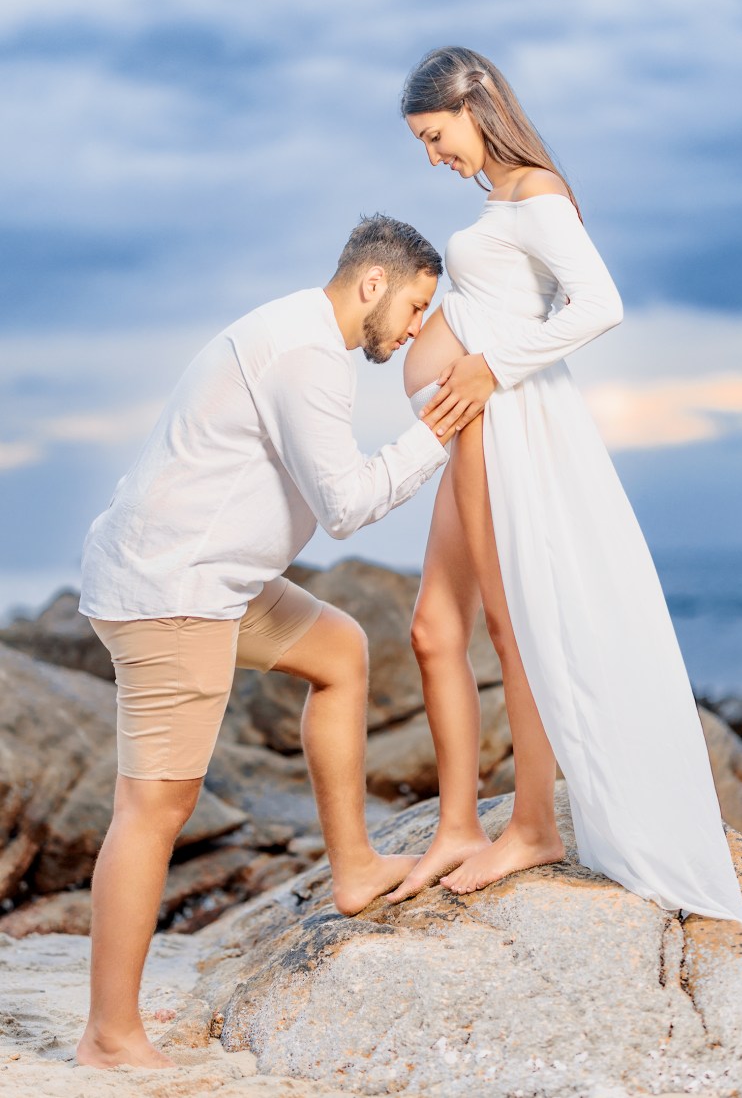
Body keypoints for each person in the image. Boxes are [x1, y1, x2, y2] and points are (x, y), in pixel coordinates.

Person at [75, 213, 454, 1070]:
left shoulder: (298, 336)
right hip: (173, 589)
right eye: (416, 306)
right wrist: (435, 432)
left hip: (217, 578)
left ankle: (352, 867)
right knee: (155, 809)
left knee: (340, 650)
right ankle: (108, 1035)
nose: (415, 327)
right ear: (372, 284)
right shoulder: (306, 355)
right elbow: (347, 506)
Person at [385, 46, 742, 929]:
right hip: (472, 423)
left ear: (473, 104)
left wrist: (488, 366)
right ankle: (460, 826)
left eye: (435, 137)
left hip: (506, 421)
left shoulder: (534, 193)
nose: (433, 157)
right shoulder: (497, 204)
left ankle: (535, 826)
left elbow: (598, 304)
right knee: (436, 628)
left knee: (514, 626)